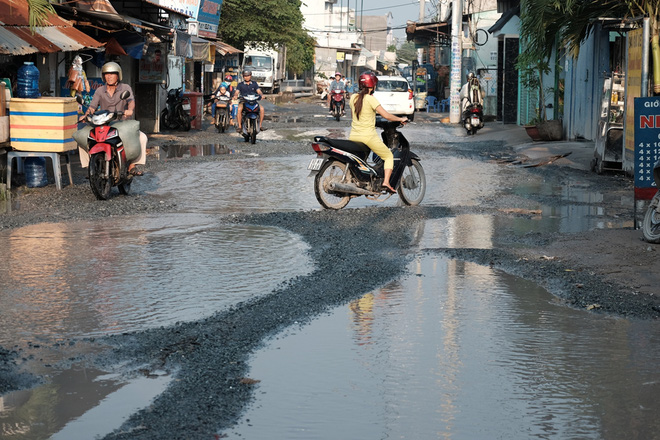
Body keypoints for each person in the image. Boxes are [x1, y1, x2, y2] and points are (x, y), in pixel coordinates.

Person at [79, 61, 147, 176]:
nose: (109, 77)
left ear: (118, 75)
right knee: (83, 137)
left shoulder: (125, 88)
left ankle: (132, 165)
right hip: (104, 124)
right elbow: (92, 106)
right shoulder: (100, 90)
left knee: (142, 138)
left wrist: (129, 110)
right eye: (106, 74)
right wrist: (86, 116)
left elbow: (131, 102)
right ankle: (89, 166)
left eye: (112, 74)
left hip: (122, 123)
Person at [349, 71, 407, 194]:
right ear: (373, 86)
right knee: (388, 156)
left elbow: (356, 116)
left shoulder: (353, 98)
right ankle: (386, 182)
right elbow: (386, 115)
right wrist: (400, 119)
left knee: (361, 159)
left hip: (353, 136)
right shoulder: (371, 99)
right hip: (368, 137)